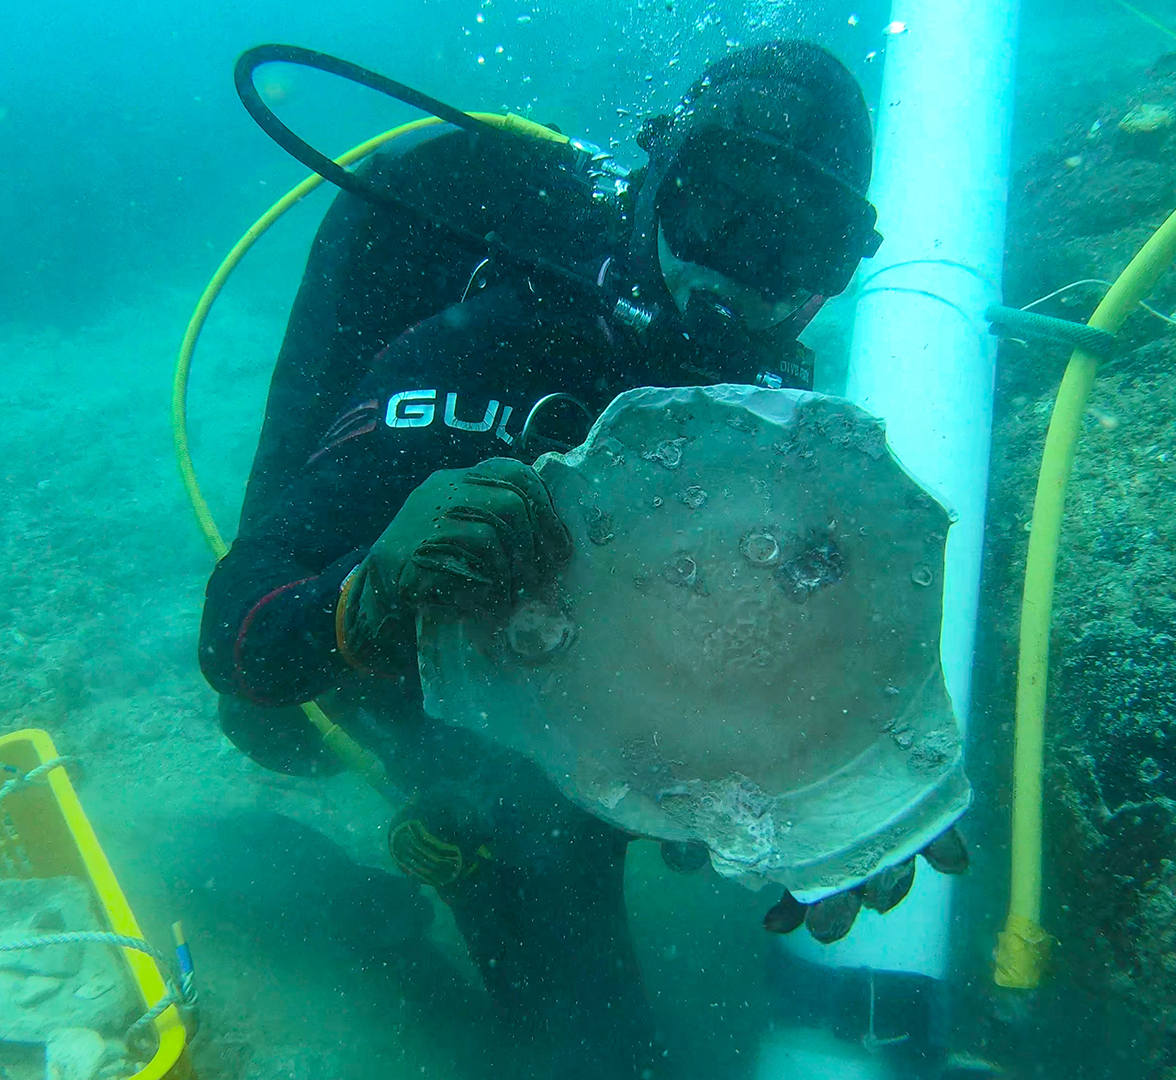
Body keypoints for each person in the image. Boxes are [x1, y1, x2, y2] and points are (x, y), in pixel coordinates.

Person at [199, 39, 909, 1079]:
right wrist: (374, 595)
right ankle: (331, 887)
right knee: (590, 1043)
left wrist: (856, 776)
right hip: (441, 699)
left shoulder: (771, 418)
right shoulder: (499, 334)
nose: (736, 276)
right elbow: (237, 633)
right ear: (664, 178)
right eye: (722, 209)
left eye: (795, 243)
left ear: (830, 277)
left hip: (603, 694)